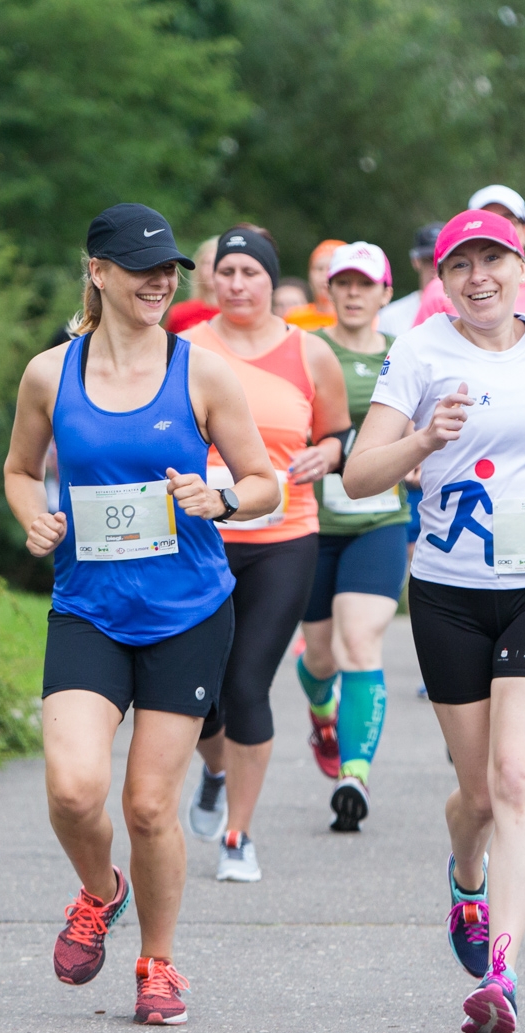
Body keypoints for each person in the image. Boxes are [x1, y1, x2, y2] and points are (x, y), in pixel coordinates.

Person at [345, 209, 525, 1033]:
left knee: (515, 777)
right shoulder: (422, 351)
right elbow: (359, 474)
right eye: (461, 264)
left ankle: (502, 971)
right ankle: (467, 878)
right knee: (475, 796)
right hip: (450, 593)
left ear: (519, 263)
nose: (478, 276)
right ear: (443, 278)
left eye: (492, 258)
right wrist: (425, 436)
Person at [4, 204, 278, 1025]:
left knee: (151, 804)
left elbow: (265, 481)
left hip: (187, 612)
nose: (159, 281)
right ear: (98, 271)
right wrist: (33, 515)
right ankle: (100, 891)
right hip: (88, 607)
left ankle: (158, 963)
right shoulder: (51, 373)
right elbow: (21, 470)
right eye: (141, 268)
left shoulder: (202, 372)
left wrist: (220, 495)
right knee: (72, 788)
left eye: (167, 270)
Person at [181, 226, 350, 882]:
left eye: (251, 272)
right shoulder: (185, 350)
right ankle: (215, 769)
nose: (238, 284)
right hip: (200, 537)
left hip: (284, 535)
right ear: (212, 280)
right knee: (201, 693)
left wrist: (328, 453)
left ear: (270, 281)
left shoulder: (310, 354)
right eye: (227, 272)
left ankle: (238, 834)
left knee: (248, 682)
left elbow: (337, 432)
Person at [293, 242, 406, 831]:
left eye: (367, 284)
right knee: (319, 656)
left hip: (379, 522)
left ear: (386, 293)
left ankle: (354, 775)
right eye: (345, 284)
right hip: (311, 524)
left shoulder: (405, 356)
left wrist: (413, 459)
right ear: (329, 292)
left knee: (359, 642)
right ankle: (321, 709)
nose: (355, 294)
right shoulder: (308, 351)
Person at [412, 186, 525, 327]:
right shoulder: (437, 290)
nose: (495, 228)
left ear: (524, 231)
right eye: (485, 219)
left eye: (508, 220)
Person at [377, 222, 443, 336]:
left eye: (442, 259)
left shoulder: (469, 314)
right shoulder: (390, 317)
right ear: (416, 261)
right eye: (429, 259)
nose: (436, 267)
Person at [283, 240, 346, 330]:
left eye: (332, 268)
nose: (325, 275)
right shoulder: (294, 319)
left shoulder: (362, 320)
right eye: (319, 269)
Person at [162, 236, 220, 333]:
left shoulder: (240, 315)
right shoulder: (180, 314)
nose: (212, 269)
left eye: (217, 263)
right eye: (207, 263)